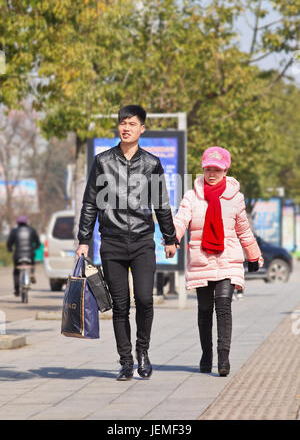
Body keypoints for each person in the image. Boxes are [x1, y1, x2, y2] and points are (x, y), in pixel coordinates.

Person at [76, 105, 177, 381]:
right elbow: (89, 203)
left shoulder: (152, 163)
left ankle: (142, 351)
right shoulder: (102, 161)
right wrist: (84, 239)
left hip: (144, 241)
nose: (126, 127)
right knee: (120, 306)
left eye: (132, 123)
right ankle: (125, 361)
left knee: (145, 299)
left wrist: (169, 238)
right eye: (122, 123)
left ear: (142, 129)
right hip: (112, 242)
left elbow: (161, 203)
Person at [174, 146, 262, 377]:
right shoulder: (191, 196)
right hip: (201, 258)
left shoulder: (235, 198)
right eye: (208, 169)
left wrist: (253, 255)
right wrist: (172, 237)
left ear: (225, 170)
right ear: (202, 169)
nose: (212, 173)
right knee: (205, 310)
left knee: (223, 307)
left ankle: (223, 358)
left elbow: (243, 230)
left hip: (227, 259)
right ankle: (206, 353)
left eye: (217, 169)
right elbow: (181, 220)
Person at [6, 216, 41, 296]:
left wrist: (10, 249)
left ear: (18, 223)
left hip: (18, 255)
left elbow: (9, 244)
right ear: (26, 222)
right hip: (29, 254)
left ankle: (17, 290)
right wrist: (35, 248)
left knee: (16, 272)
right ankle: (32, 273)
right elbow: (38, 243)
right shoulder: (32, 230)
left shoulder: (14, 231)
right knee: (32, 263)